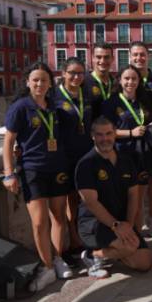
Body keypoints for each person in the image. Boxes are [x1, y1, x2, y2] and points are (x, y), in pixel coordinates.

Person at [2, 62, 73, 292]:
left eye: (44, 80)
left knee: (59, 217)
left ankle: (58, 258)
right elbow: (8, 142)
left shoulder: (55, 107)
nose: (39, 84)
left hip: (57, 168)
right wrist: (8, 173)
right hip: (33, 169)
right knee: (40, 221)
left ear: (50, 83)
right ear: (27, 82)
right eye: (35, 80)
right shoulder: (20, 108)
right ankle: (46, 267)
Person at [75, 116, 152, 277]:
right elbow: (91, 203)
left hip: (121, 222)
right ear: (93, 136)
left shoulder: (126, 160)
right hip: (94, 224)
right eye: (100, 135)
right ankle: (92, 255)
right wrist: (116, 226)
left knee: (144, 263)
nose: (105, 139)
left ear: (115, 134)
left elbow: (133, 195)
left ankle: (109, 252)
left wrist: (129, 224)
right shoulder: (85, 164)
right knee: (129, 247)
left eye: (109, 133)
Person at [101, 65, 152, 232]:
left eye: (134, 79)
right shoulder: (111, 103)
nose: (130, 82)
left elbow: (151, 122)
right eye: (126, 78)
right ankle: (123, 235)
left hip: (143, 155)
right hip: (122, 155)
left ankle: (137, 237)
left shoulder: (145, 101)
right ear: (119, 80)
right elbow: (106, 131)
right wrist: (130, 133)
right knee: (123, 200)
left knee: (138, 201)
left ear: (139, 81)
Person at [55, 57, 93, 256]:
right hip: (63, 157)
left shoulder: (87, 96)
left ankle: (79, 240)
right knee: (63, 205)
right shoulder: (54, 97)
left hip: (85, 155)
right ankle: (67, 245)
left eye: (80, 73)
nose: (76, 77)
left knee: (80, 201)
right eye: (72, 73)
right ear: (63, 74)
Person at [130, 41, 152, 235]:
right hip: (131, 138)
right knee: (133, 182)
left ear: (148, 56)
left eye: (142, 54)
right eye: (135, 54)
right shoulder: (125, 78)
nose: (139, 58)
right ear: (130, 56)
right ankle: (136, 220)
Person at [88, 44, 118, 118]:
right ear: (93, 58)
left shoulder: (116, 83)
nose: (102, 61)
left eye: (106, 57)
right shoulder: (83, 82)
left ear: (113, 59)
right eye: (98, 57)